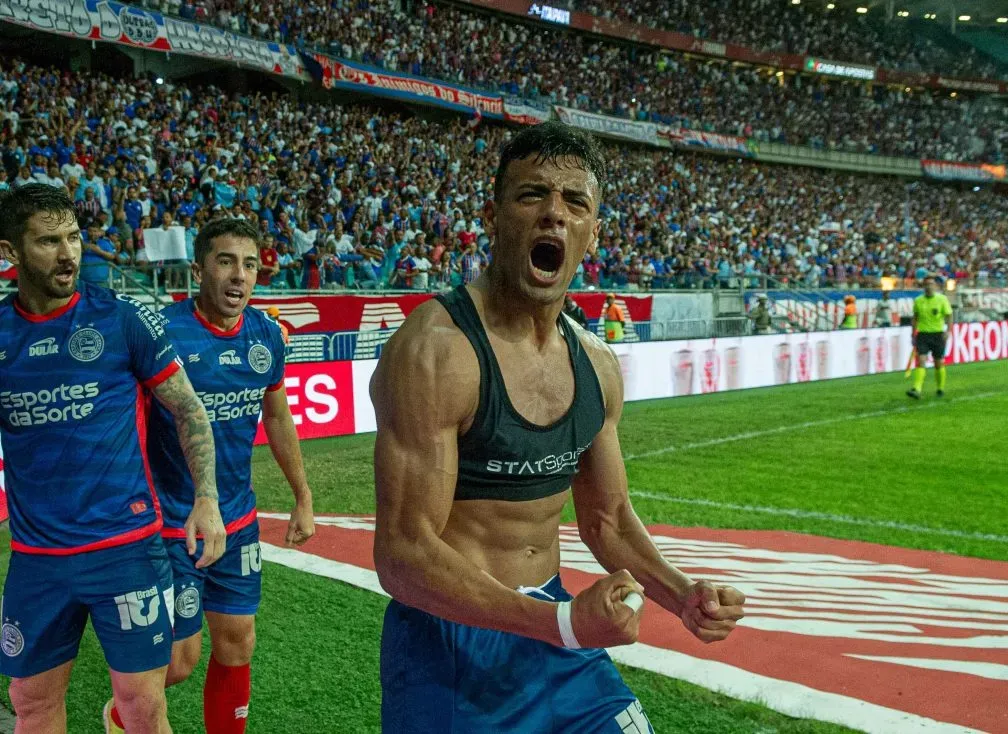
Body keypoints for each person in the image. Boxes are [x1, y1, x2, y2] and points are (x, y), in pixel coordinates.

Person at [371, 121, 745, 734]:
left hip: (553, 631)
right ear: (494, 216)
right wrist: (565, 625)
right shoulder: (436, 352)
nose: (553, 214)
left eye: (575, 202)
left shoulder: (596, 365)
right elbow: (404, 555)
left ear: (592, 232)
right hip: (450, 646)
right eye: (531, 195)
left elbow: (608, 520)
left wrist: (682, 596)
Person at [0, 184, 226, 733]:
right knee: (31, 704)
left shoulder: (122, 319)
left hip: (124, 550)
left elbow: (189, 410)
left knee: (143, 708)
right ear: (9, 252)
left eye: (74, 238)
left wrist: (206, 499)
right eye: (49, 241)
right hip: (37, 557)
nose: (68, 254)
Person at [104, 218, 316, 733]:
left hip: (236, 519)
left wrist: (303, 496)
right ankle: (121, 713)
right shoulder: (161, 332)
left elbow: (278, 416)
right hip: (171, 524)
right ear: (199, 269)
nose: (239, 276)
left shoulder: (266, 335)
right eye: (226, 262)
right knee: (179, 661)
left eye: (249, 265)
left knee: (239, 640)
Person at [907, 275, 953, 399]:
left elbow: (949, 315)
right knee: (921, 360)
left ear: (935, 286)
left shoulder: (942, 299)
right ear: (923, 286)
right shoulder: (918, 300)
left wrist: (948, 331)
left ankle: (940, 388)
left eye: (931, 284)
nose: (929, 286)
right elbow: (915, 317)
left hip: (938, 334)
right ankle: (916, 389)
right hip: (923, 335)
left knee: (938, 363)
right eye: (926, 284)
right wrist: (913, 333)